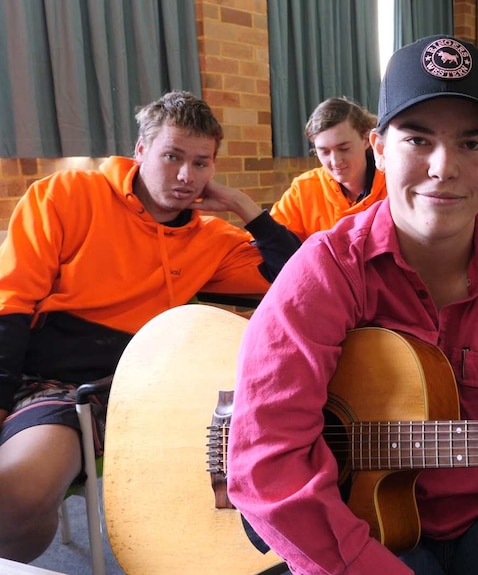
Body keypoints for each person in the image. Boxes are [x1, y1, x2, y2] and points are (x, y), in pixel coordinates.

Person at [228, 35, 478, 575]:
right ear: (379, 148)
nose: (443, 167)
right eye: (417, 140)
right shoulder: (325, 270)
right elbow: (267, 459)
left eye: (472, 144)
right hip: (354, 524)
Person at [0, 90, 301, 563]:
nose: (186, 176)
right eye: (171, 156)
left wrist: (246, 208)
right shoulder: (64, 195)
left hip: (146, 387)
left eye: (201, 163)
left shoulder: (214, 239)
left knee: (19, 492)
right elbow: (10, 301)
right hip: (50, 378)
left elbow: (299, 277)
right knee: (17, 489)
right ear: (140, 151)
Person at [269, 96, 387, 241]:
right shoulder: (303, 189)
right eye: (324, 151)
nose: (335, 161)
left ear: (366, 140)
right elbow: (271, 246)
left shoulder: (394, 183)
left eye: (344, 148)